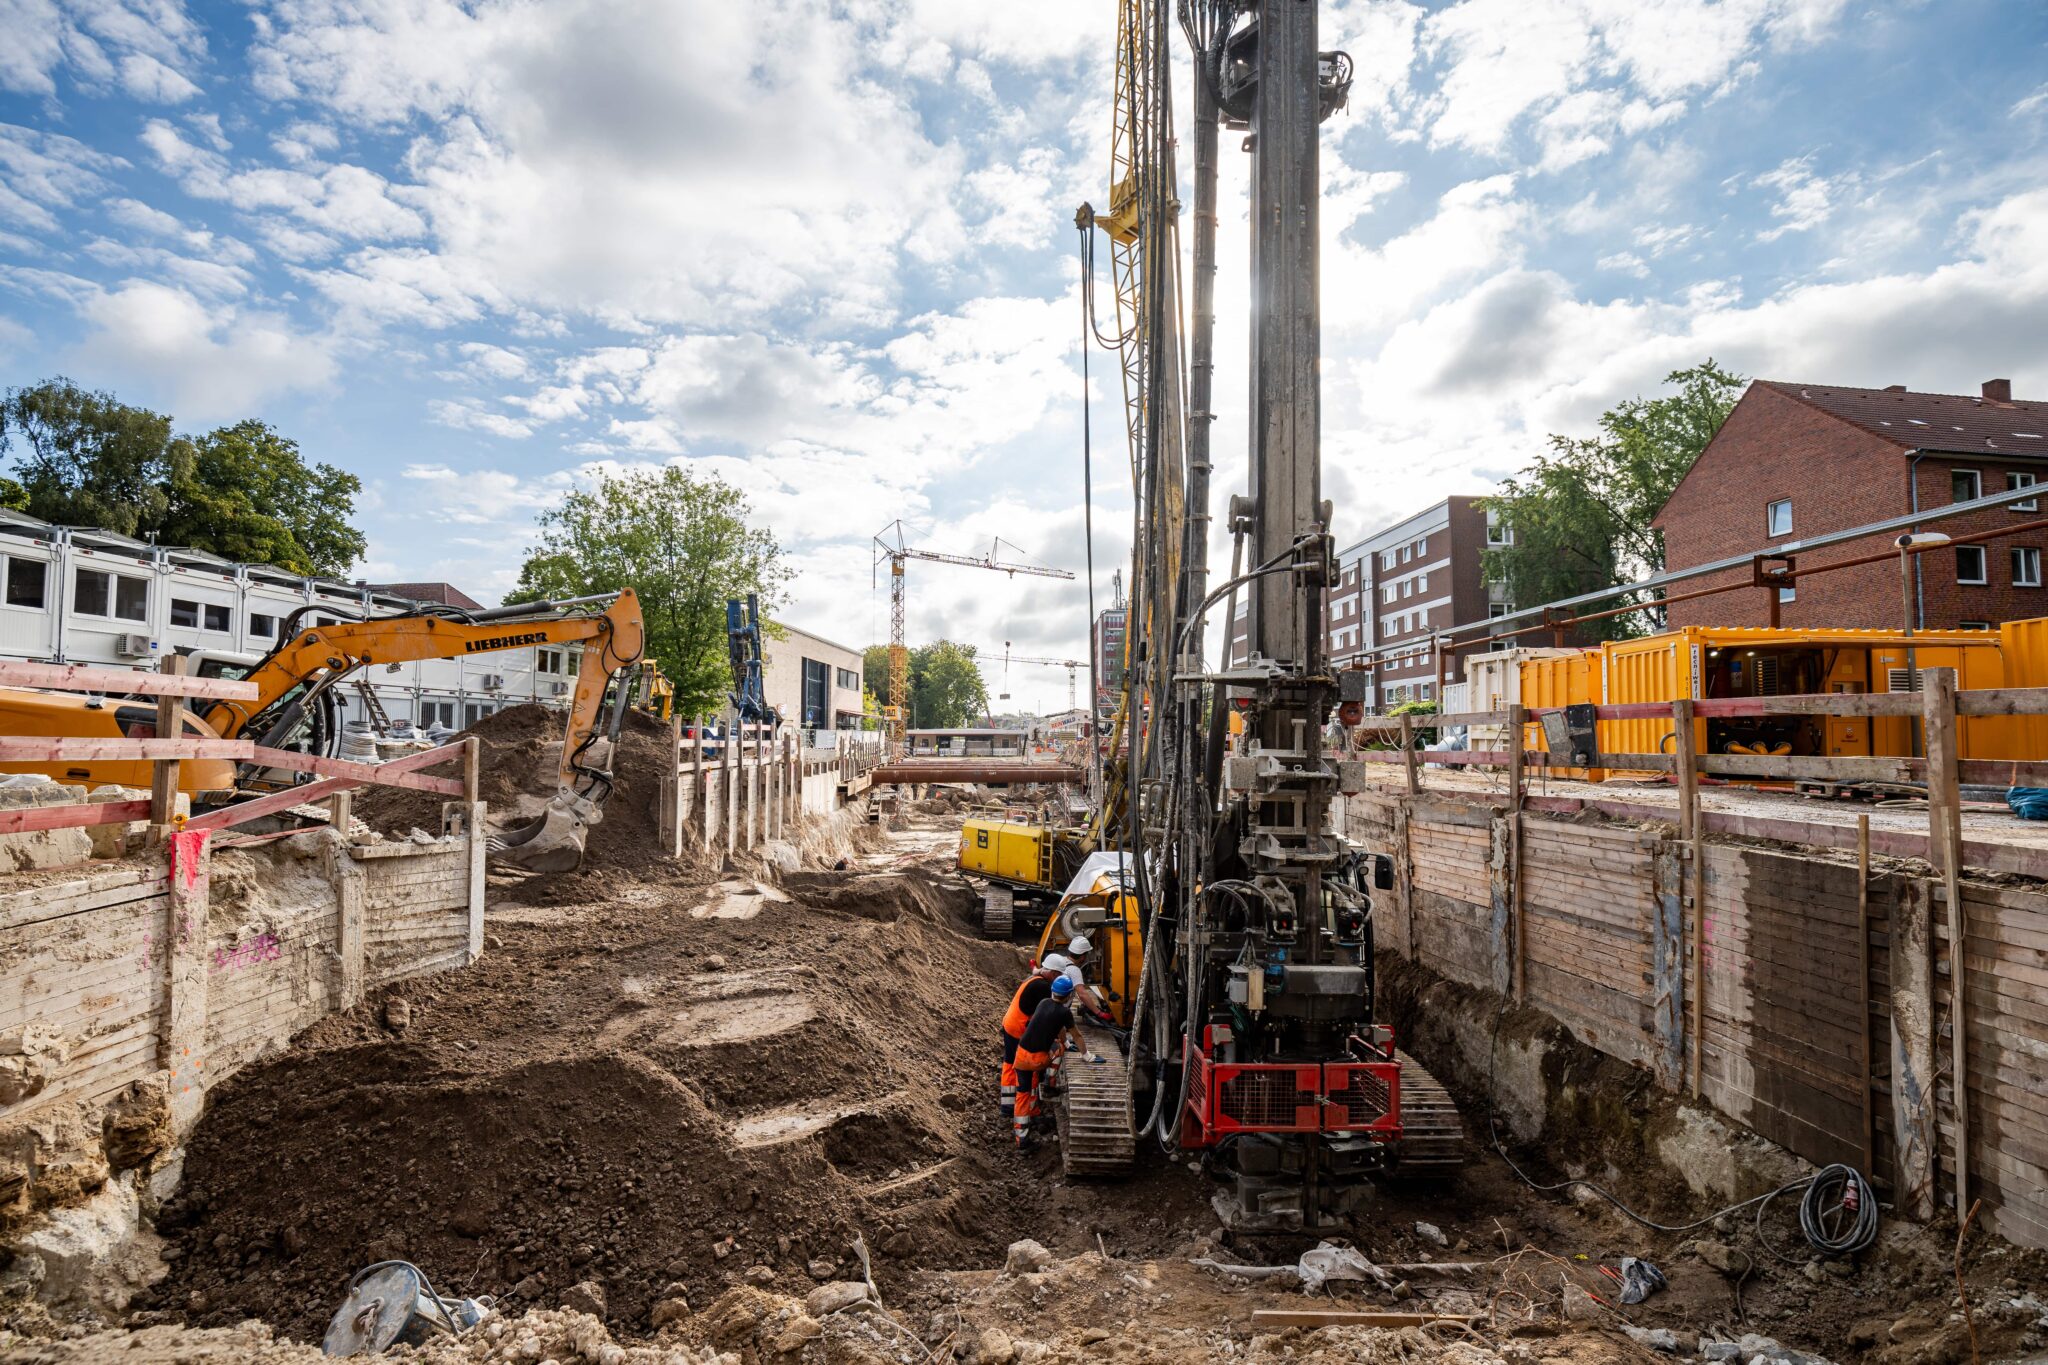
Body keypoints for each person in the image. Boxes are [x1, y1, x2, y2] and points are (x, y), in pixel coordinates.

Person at [1012, 976, 1101, 1147]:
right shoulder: (1064, 1012)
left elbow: (1057, 1027)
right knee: (1059, 1049)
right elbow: (1077, 1035)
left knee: (1022, 1094)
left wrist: (1063, 1040)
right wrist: (1086, 1055)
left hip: (1021, 1056)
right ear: (1068, 996)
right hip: (1038, 1060)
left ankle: (1022, 1138)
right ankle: (1049, 1084)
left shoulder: (1043, 1002)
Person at [998, 957, 1069, 1120]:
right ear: (1052, 973)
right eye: (1058, 975)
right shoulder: (1043, 987)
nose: (1059, 979)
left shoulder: (1035, 978)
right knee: (1029, 1068)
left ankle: (1007, 1107)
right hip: (1020, 1029)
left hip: (1011, 1024)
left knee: (1009, 1063)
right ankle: (1029, 1108)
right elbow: (1048, 1016)